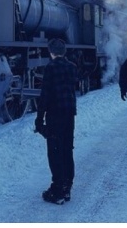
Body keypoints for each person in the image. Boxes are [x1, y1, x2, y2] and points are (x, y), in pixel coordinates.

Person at [35, 38, 78, 205]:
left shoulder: (50, 68)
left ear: (51, 52)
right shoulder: (72, 67)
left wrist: (39, 119)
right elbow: (74, 85)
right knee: (67, 149)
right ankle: (67, 186)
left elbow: (45, 95)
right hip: (70, 113)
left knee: (54, 150)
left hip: (55, 114)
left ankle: (57, 189)